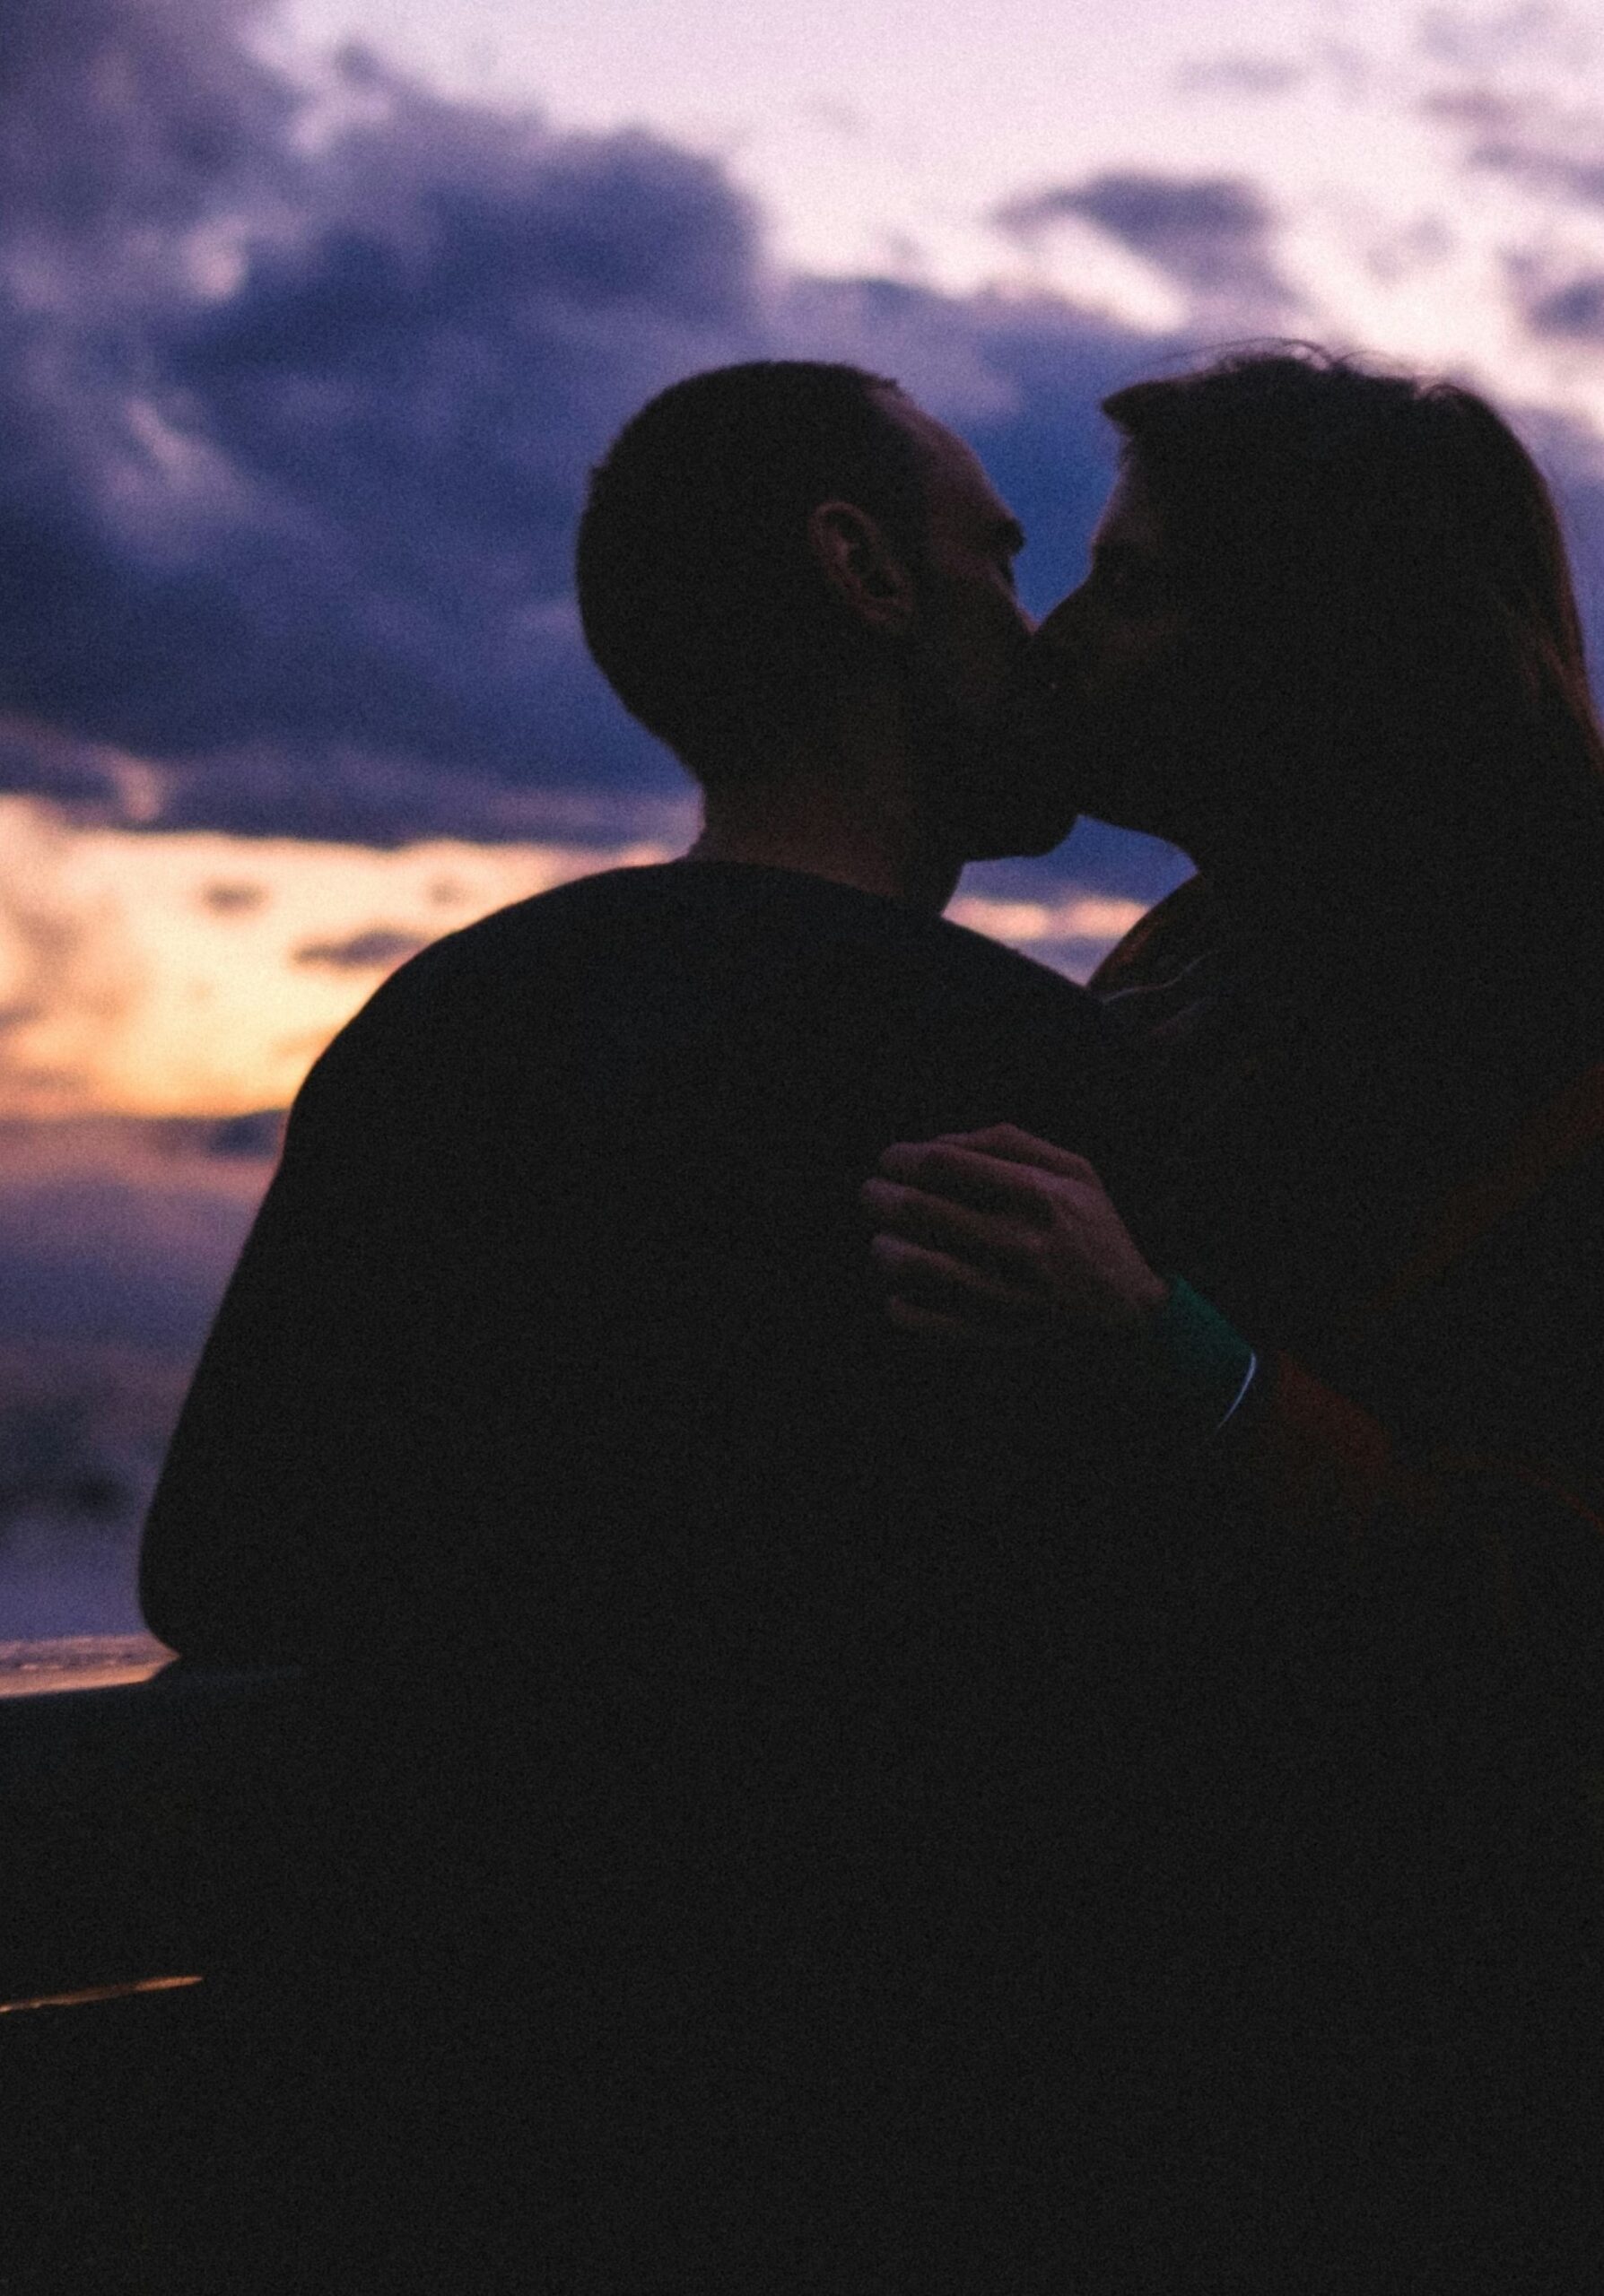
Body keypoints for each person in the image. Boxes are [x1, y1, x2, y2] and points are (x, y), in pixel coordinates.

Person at [137, 361, 1119, 2290]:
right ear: (865, 574)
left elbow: (221, 1562)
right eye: (996, 560)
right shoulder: (1050, 1085)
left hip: (432, 2140)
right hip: (910, 2153)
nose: (1039, 625)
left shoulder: (450, 1025)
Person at [865, 350, 1604, 2289]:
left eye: (1141, 579)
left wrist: (1183, 1368)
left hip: (1445, 2074)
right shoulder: (1205, 947)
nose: (1068, 631)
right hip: (1173, 2017)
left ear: (1326, 641)